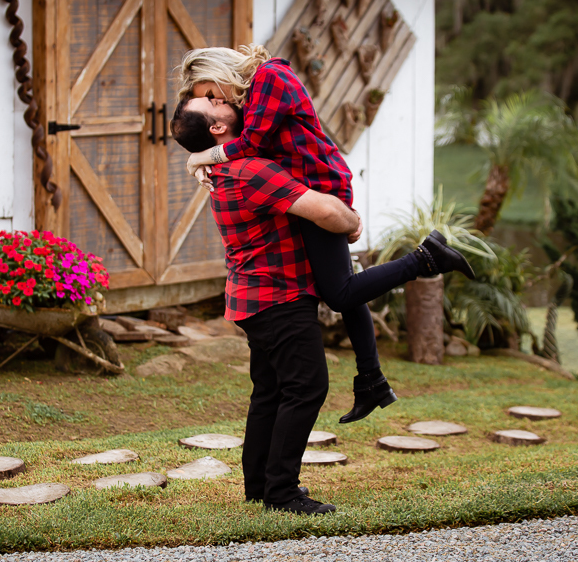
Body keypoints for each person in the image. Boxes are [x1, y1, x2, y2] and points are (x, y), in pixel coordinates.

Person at [175, 45, 475, 424]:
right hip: (306, 191)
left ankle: (426, 258)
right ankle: (372, 381)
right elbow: (248, 147)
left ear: (219, 71)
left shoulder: (271, 77)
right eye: (208, 99)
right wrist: (204, 155)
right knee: (346, 289)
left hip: (322, 188)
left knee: (339, 292)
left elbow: (252, 145)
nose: (215, 99)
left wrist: (201, 157)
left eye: (209, 92)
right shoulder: (251, 96)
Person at [170, 96, 363, 515]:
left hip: (253, 297)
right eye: (213, 101)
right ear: (217, 128)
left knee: (271, 392)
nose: (224, 99)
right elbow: (326, 211)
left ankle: (259, 485)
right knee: (306, 388)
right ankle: (282, 492)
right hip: (280, 296)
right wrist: (354, 221)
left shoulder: (227, 166)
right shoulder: (251, 170)